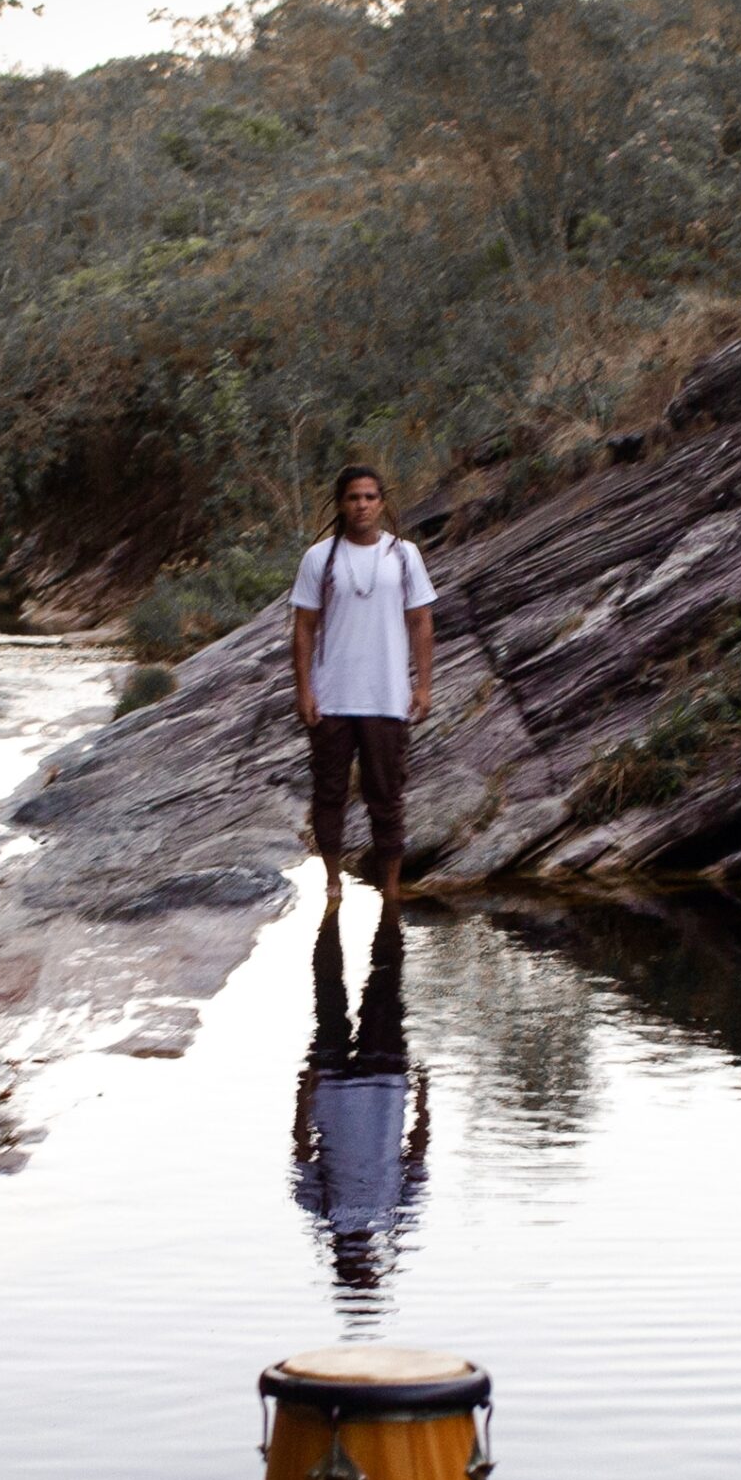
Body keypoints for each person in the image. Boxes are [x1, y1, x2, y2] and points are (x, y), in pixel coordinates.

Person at [289, 465, 436, 904]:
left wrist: (424, 685)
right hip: (332, 697)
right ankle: (333, 883)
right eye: (354, 498)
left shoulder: (404, 555)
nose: (363, 505)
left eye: (371, 497)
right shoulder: (320, 558)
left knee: (386, 796)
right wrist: (304, 690)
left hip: (387, 697)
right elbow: (303, 628)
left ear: (383, 503)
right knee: (328, 793)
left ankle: (391, 889)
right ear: (341, 504)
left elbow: (422, 621)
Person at [292, 906, 430, 1300]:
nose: (368, 1261)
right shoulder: (391, 1217)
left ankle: (349, 914)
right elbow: (417, 1156)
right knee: (351, 992)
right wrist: (421, 1098)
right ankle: (372, 912)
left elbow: (302, 1149)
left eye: (364, 1269)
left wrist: (305, 1091)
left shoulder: (324, 1211)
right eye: (370, 1269)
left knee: (357, 993)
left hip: (367, 1084)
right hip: (372, 1085)